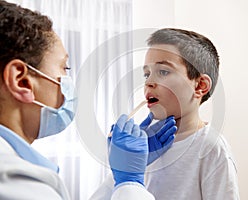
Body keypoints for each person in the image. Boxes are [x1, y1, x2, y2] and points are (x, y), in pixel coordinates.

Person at [0, 1, 176, 199]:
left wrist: (121, 177)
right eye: (64, 68)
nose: (150, 82)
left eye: (163, 72)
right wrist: (130, 181)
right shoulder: (16, 185)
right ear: (21, 81)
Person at [142, 28, 240, 199]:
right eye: (146, 74)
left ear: (200, 86)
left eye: (163, 72)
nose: (149, 82)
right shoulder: (146, 144)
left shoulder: (211, 149)